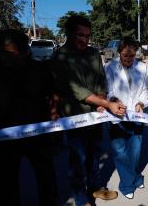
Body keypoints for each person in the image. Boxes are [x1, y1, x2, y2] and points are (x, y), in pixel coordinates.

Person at [51, 15, 123, 205]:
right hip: (75, 119)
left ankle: (95, 189)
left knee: (95, 155)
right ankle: (81, 199)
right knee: (78, 161)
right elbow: (76, 90)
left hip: (96, 117)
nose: (84, 39)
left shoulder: (92, 53)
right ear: (68, 34)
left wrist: (101, 100)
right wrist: (107, 105)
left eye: (87, 35)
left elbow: (101, 79)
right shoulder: (60, 58)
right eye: (79, 35)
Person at [0, 29, 59, 205]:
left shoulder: (39, 69)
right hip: (4, 137)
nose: (3, 55)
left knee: (46, 180)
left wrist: (54, 110)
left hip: (38, 135)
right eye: (0, 51)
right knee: (6, 184)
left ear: (24, 51)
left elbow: (54, 93)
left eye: (8, 52)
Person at [104, 37, 148, 199]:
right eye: (125, 55)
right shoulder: (109, 67)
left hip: (136, 116)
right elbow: (107, 90)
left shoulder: (143, 68)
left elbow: (147, 90)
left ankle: (136, 177)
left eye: (132, 56)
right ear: (119, 53)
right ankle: (127, 185)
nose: (129, 59)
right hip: (116, 117)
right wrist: (114, 100)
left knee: (136, 152)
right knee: (121, 153)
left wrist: (141, 103)